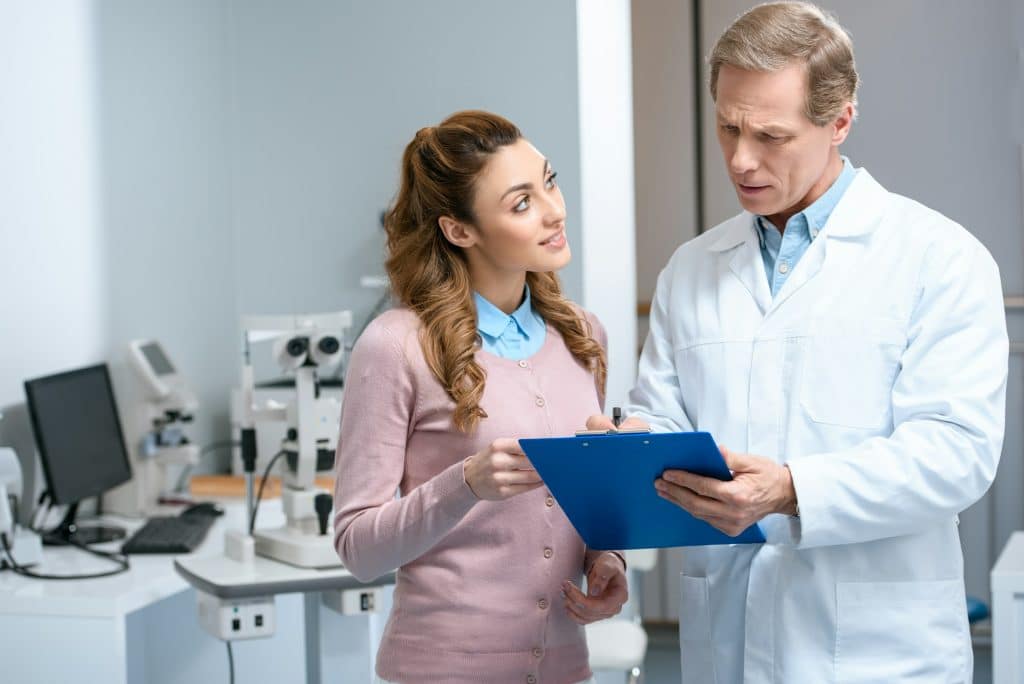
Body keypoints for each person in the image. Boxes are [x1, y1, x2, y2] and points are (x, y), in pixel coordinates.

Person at [589, 3, 1008, 682]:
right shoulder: (692, 267)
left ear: (840, 120)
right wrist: (627, 448)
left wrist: (792, 490)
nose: (740, 159)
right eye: (727, 127)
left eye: (771, 136)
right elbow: (665, 416)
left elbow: (954, 453)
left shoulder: (939, 258)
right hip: (726, 636)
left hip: (877, 652)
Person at [333, 110, 629, 684]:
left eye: (549, 181)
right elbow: (357, 549)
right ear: (458, 230)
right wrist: (464, 483)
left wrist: (606, 560)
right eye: (521, 203)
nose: (553, 210)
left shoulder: (583, 335)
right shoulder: (395, 347)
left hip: (566, 669)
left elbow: (582, 509)